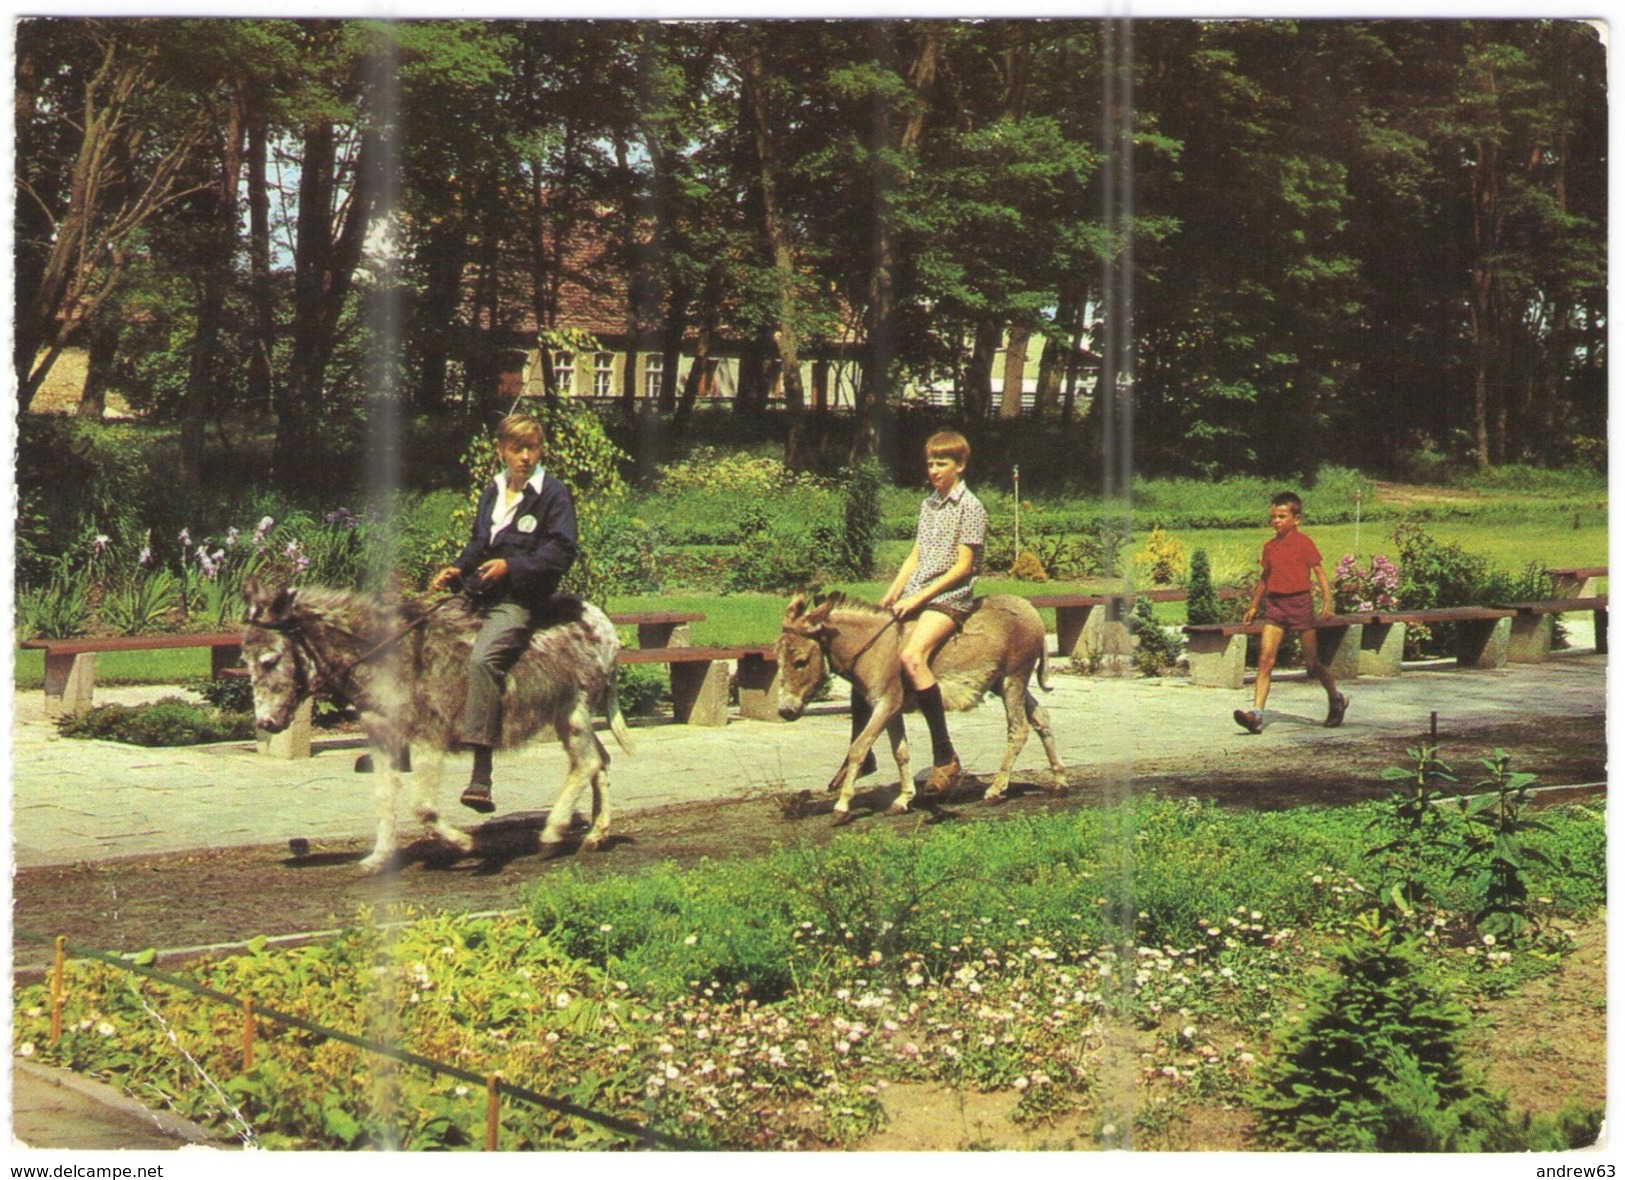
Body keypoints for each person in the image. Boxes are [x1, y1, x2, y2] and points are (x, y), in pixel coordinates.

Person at [431, 411, 578, 812]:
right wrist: (458, 568)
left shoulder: (552, 494)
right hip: (480, 591)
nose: (526, 457)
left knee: (482, 661)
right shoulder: (493, 490)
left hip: (519, 598)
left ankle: (481, 773)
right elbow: (480, 541)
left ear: (540, 450)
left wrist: (512, 567)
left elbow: (562, 550)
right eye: (517, 449)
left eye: (532, 448)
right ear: (502, 451)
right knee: (423, 636)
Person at [869, 429, 989, 794]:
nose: (934, 470)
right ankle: (860, 758)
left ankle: (944, 754)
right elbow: (917, 555)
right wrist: (890, 595)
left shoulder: (971, 507)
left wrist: (917, 599)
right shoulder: (929, 504)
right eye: (931, 463)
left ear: (961, 465)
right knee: (869, 651)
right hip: (916, 593)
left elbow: (963, 568)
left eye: (942, 463)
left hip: (948, 597)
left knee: (912, 656)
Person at [1233, 491, 1348, 734]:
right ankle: (1256, 715)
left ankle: (1337, 698)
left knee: (1312, 663)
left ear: (1296, 519)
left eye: (1282, 516)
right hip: (1275, 607)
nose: (1276, 521)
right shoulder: (1269, 547)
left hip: (1299, 605)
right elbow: (1265, 578)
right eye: (1273, 516)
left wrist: (1327, 601)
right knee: (1265, 660)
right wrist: (1254, 605)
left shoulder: (1304, 543)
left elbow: (1319, 573)